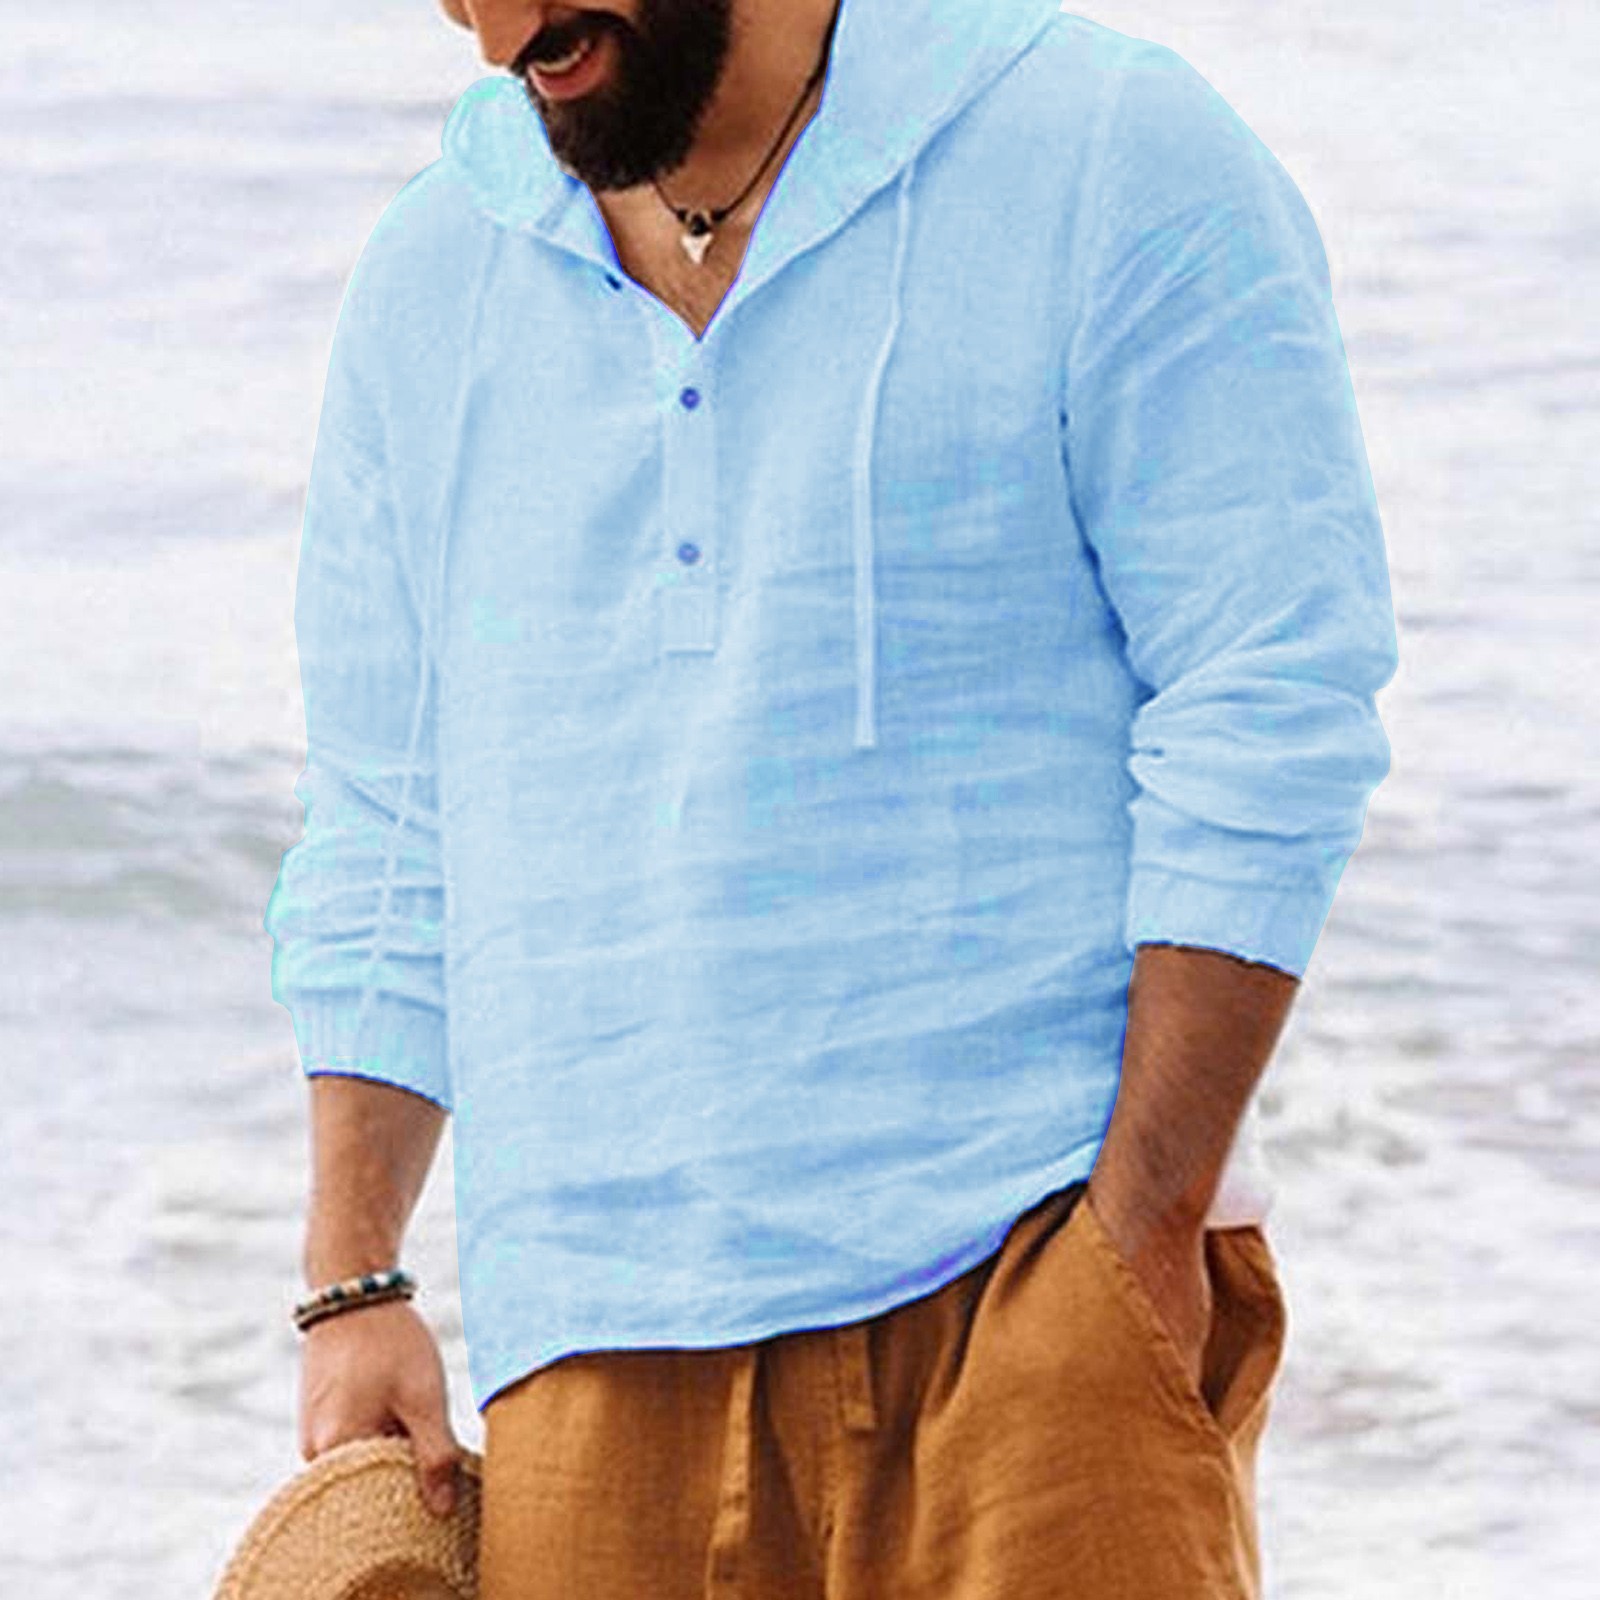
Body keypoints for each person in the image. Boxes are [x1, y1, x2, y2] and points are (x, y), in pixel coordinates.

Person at [264, 0, 1399, 1594]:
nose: (490, 26)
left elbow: (1270, 692)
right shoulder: (435, 275)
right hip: (590, 1346)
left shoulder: (1107, 152)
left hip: (1029, 1286)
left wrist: (1143, 1226)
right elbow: (387, 808)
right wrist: (353, 1281)